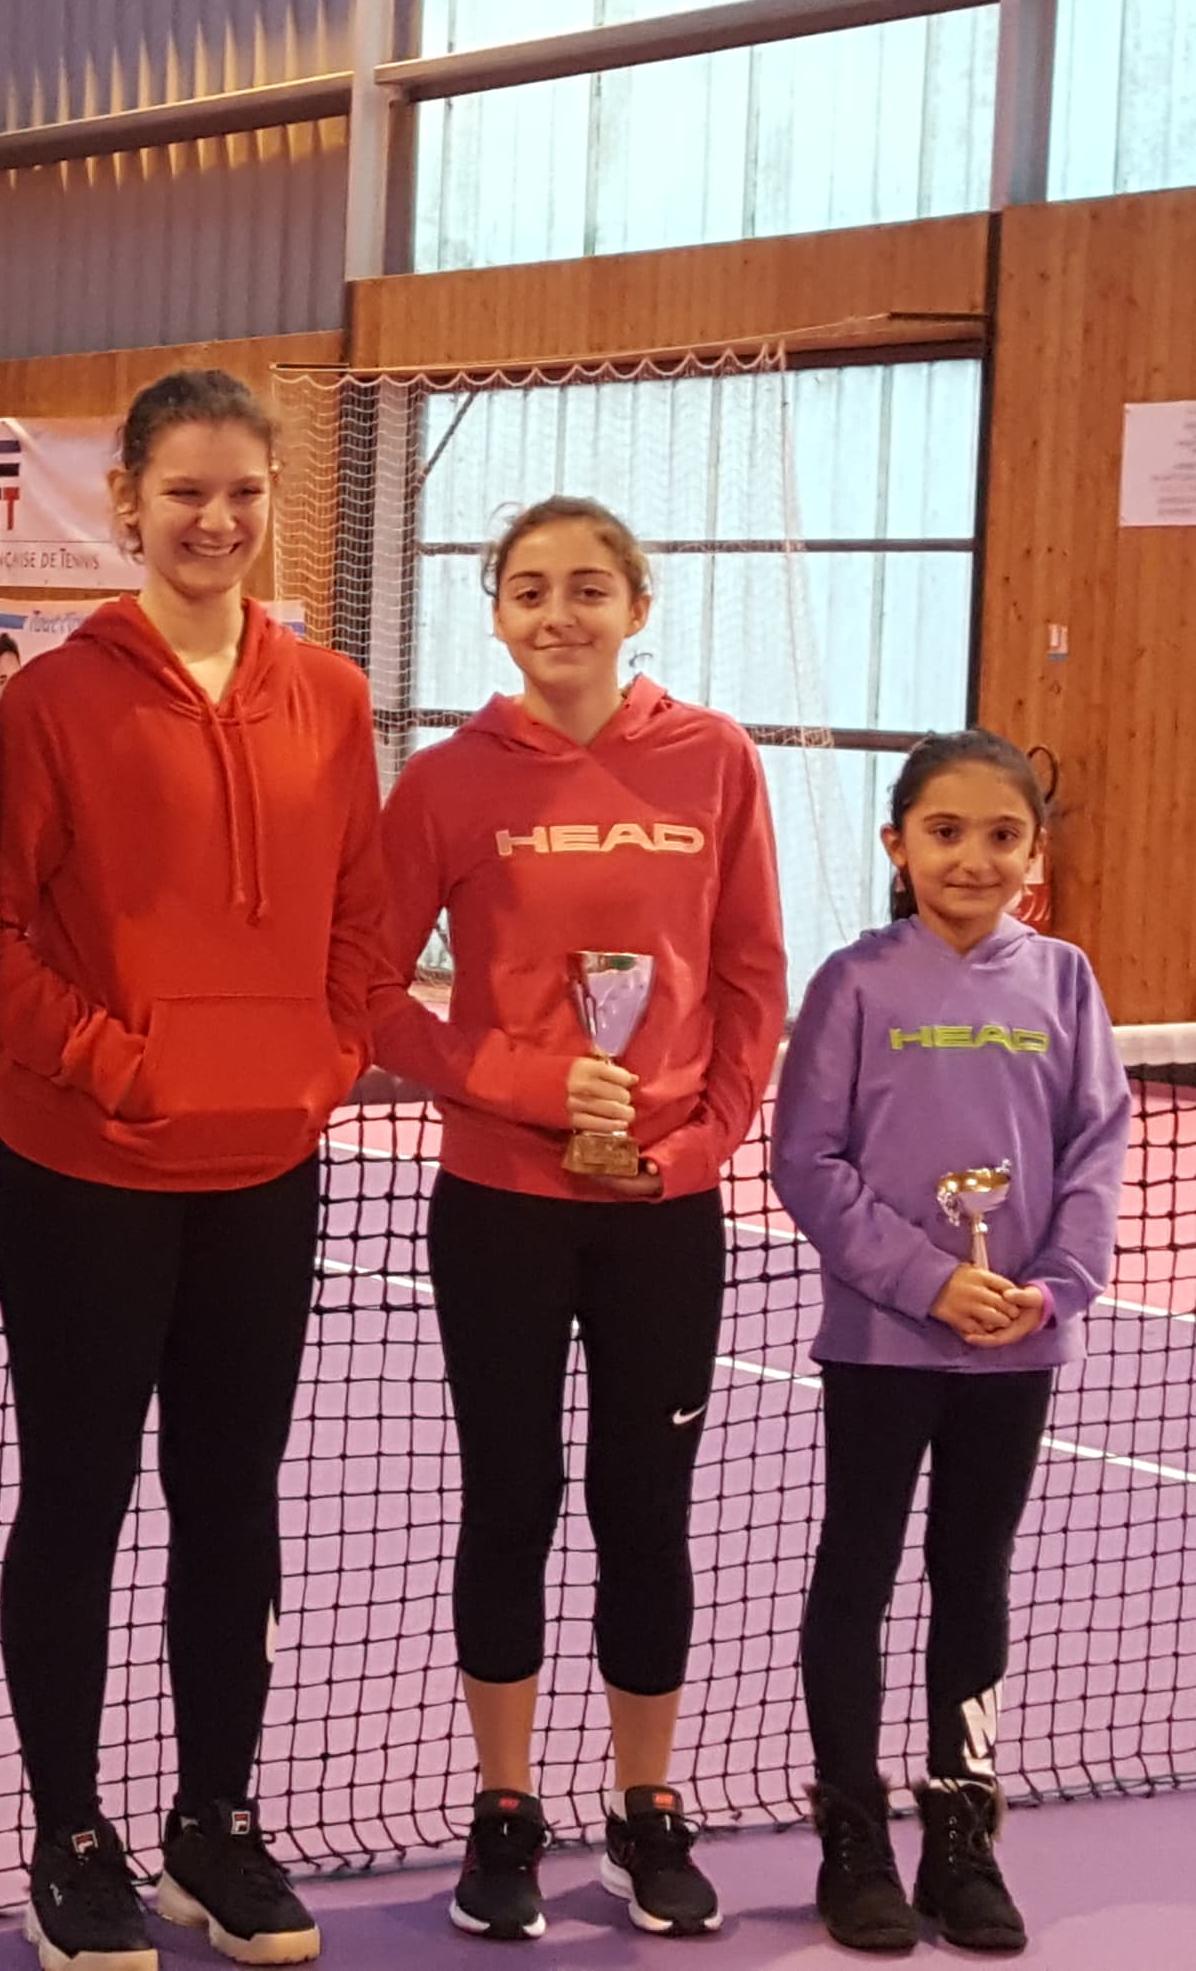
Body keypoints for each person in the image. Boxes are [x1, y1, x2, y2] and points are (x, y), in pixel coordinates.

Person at [0, 368, 380, 1970]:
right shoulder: (50, 703)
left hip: (266, 1173)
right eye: (187, 491)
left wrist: (321, 1062)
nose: (217, 520)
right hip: (84, 1176)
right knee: (77, 1499)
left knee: (233, 1504)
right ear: (127, 500)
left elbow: (362, 916)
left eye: (244, 493)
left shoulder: (331, 696)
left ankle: (217, 1824)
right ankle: (71, 1840)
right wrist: (118, 1065)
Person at [371, 496, 786, 1942]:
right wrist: (527, 1083)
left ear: (636, 605)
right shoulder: (446, 782)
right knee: (511, 1498)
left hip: (664, 1213)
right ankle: (505, 1808)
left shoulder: (715, 758)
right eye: (533, 588)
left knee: (645, 1509)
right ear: (496, 612)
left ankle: (644, 1809)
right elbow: (367, 992)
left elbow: (752, 977)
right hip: (500, 1204)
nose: (562, 612)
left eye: (590, 586)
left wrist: (697, 1148)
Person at [774, 731, 1125, 1957]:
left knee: (973, 1577)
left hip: (1015, 1351)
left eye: (1001, 836)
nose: (973, 858)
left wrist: (1053, 1289)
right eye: (944, 832)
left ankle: (962, 1836)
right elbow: (807, 1163)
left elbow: (1097, 1146)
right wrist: (929, 1283)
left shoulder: (1065, 983)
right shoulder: (854, 984)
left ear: (1035, 852)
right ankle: (853, 1841)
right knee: (858, 1574)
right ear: (897, 846)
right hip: (882, 1346)